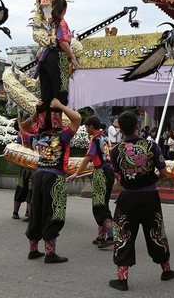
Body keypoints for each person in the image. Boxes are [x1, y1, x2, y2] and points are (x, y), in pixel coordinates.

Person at [107, 110, 174, 291]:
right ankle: (166, 270)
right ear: (138, 126)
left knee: (124, 235)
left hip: (128, 198)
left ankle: (122, 279)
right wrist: (149, 176)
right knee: (156, 232)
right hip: (150, 197)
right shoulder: (153, 147)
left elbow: (119, 179)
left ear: (120, 129)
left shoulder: (115, 151)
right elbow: (164, 174)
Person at [24, 98, 81, 264]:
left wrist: (38, 109)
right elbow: (77, 119)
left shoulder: (37, 135)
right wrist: (60, 105)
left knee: (37, 211)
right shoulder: (62, 136)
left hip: (39, 175)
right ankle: (50, 253)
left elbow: (32, 121)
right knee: (53, 212)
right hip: (54, 177)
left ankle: (33, 250)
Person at [66, 116, 115, 249]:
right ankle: (101, 236)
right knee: (103, 204)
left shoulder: (94, 139)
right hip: (109, 172)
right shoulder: (106, 138)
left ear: (91, 127)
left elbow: (88, 158)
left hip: (101, 173)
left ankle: (112, 234)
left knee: (99, 206)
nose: (86, 129)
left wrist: (77, 173)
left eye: (87, 127)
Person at [34, 0, 78, 112]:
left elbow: (48, 41)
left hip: (46, 58)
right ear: (64, 9)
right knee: (60, 92)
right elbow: (62, 42)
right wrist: (72, 57)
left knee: (46, 93)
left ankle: (44, 126)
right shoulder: (62, 23)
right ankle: (56, 127)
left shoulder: (50, 23)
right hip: (59, 58)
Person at [13, 116, 34, 221]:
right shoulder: (21, 136)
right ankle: (16, 211)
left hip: (32, 166)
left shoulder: (32, 135)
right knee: (22, 188)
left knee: (30, 190)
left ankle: (28, 212)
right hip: (25, 166)